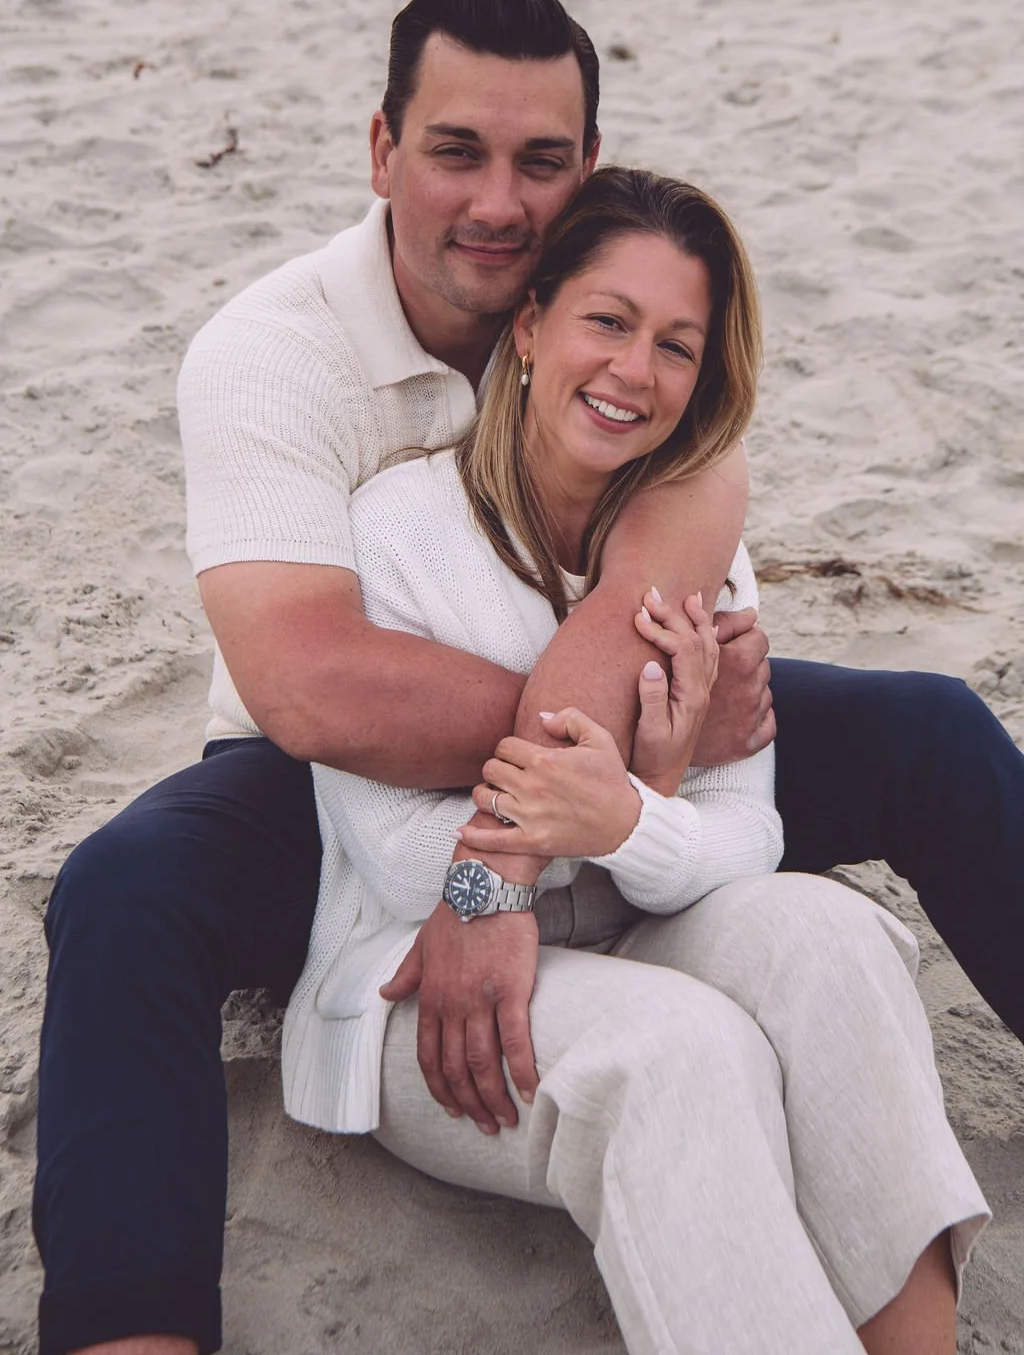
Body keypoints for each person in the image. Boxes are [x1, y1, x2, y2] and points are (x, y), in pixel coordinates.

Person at [32, 0, 1021, 1355]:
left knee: (926, 732)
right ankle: (129, 1327)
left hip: (617, 720)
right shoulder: (273, 354)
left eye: (540, 163)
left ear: (587, 170)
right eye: (456, 151)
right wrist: (610, 767)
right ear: (383, 150)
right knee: (127, 889)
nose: (497, 202)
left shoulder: (625, 322)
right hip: (324, 760)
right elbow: (310, 686)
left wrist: (629, 771)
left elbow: (672, 544)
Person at [286, 165, 988, 1354]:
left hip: (636, 932)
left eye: (674, 346)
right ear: (529, 325)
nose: (632, 372)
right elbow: (409, 868)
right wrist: (628, 793)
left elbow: (747, 838)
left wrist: (630, 815)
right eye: (606, 321)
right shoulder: (395, 534)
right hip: (421, 991)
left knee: (833, 936)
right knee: (680, 1051)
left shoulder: (693, 549)